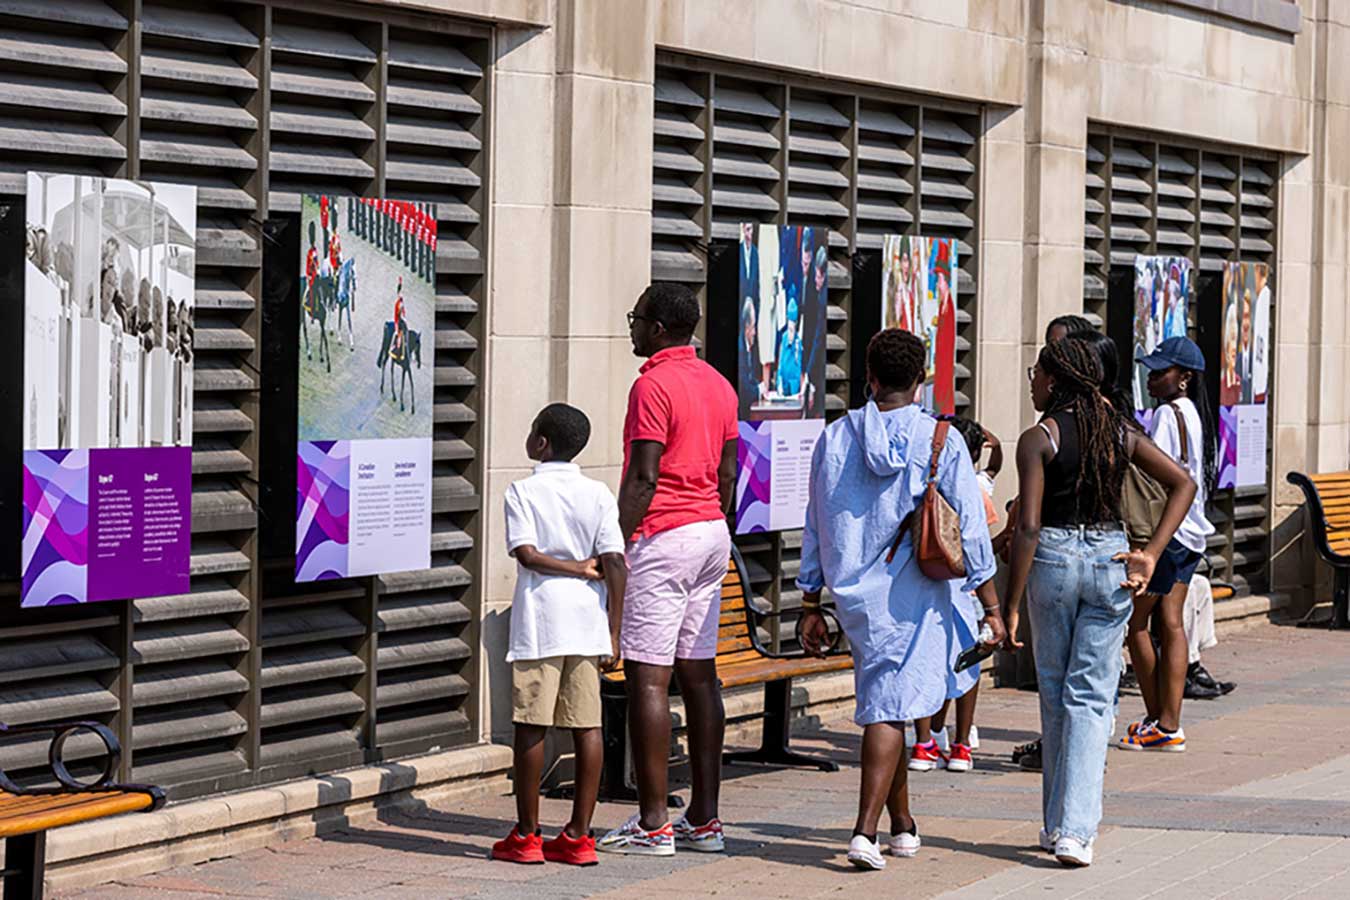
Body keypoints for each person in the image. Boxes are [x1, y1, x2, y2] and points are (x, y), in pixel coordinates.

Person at [797, 329, 1005, 871]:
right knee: (887, 709)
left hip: (853, 596)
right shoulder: (939, 439)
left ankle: (902, 823)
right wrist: (992, 605)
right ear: (921, 381)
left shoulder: (835, 437)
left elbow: (815, 521)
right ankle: (864, 831)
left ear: (868, 375)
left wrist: (809, 598)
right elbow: (972, 534)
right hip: (912, 595)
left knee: (893, 697)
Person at [1003, 335, 1195, 868]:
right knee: (1090, 696)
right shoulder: (1120, 431)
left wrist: (1011, 600)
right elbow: (1183, 482)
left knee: (1054, 692)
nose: (1032, 382)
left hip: (1055, 562)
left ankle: (1053, 823)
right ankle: (1075, 832)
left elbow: (1029, 527)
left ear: (1055, 378)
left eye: (1036, 373)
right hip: (1111, 559)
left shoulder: (1038, 438)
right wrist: (1152, 553)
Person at [599, 283, 738, 857]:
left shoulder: (652, 384)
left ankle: (653, 822)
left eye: (636, 319)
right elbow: (729, 473)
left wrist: (613, 541)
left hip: (664, 536)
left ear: (657, 328)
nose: (631, 328)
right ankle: (704, 820)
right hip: (710, 532)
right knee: (699, 676)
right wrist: (708, 517)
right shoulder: (718, 383)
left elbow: (643, 475)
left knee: (648, 678)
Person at [492, 404, 627, 867]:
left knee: (531, 724)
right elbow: (615, 562)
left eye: (533, 432)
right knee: (586, 726)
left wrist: (569, 568)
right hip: (587, 626)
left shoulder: (523, 490)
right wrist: (615, 631)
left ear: (540, 443)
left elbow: (527, 555)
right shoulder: (598, 493)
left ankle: (527, 835)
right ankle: (578, 835)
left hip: (541, 624)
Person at [1120, 337, 1218, 752]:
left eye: (1161, 372)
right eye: (1151, 370)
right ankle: (1167, 722)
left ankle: (1161, 719)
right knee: (1173, 622)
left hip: (1167, 533)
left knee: (1136, 625)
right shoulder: (1193, 414)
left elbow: (1159, 479)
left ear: (1185, 378)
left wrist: (1151, 546)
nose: (1152, 378)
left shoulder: (1165, 415)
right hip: (1192, 533)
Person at [909, 416, 1003, 774]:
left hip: (927, 579)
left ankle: (924, 742)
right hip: (967, 589)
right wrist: (993, 604)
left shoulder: (923, 481)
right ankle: (962, 744)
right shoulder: (976, 487)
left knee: (924, 660)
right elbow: (978, 543)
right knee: (969, 662)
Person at [738, 298, 763, 418]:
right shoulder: (740, 351)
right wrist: (758, 391)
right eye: (753, 327)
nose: (755, 333)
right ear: (747, 327)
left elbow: (750, 379)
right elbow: (743, 388)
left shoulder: (747, 346)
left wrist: (759, 386)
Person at [775, 298, 803, 400]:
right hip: (784, 378)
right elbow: (780, 363)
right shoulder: (784, 338)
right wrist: (779, 382)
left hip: (794, 380)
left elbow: (799, 364)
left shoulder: (798, 341)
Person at [392, 276, 407, 358]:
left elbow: (399, 291)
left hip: (398, 320)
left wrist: (400, 283)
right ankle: (397, 349)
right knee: (399, 335)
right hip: (398, 320)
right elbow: (399, 291)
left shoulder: (399, 303)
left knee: (399, 334)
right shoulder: (399, 303)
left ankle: (398, 349)